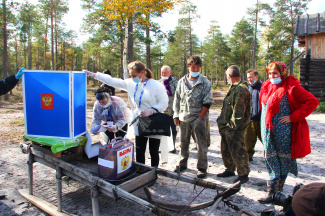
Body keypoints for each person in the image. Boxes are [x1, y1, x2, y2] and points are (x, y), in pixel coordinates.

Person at [84, 61, 168, 167]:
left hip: (154, 121)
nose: (132, 78)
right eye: (130, 75)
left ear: (142, 72)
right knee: (139, 149)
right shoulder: (132, 83)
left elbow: (164, 103)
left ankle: (154, 172)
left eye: (134, 75)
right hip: (140, 121)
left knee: (153, 150)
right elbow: (113, 81)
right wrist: (95, 75)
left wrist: (152, 110)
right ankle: (141, 171)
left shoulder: (156, 85)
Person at [258, 62, 319, 204]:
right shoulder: (267, 86)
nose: (272, 76)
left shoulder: (292, 87)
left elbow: (312, 101)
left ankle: (275, 193)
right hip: (268, 131)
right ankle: (272, 193)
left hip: (283, 132)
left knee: (282, 161)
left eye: (275, 74)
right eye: (270, 73)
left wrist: (293, 117)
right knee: (270, 159)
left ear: (283, 73)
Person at [173, 55, 213, 178]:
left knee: (201, 144)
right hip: (184, 118)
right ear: (188, 67)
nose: (195, 70)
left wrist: (201, 118)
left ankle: (202, 168)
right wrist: (176, 116)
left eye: (198, 68)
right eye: (193, 67)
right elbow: (177, 99)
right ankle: (182, 164)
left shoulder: (204, 82)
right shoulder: (181, 82)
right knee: (183, 143)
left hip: (198, 118)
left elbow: (208, 102)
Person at [216, 65, 251, 184]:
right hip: (227, 127)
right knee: (226, 149)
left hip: (235, 128)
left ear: (229, 76)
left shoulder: (241, 89)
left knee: (238, 150)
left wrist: (231, 128)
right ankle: (229, 169)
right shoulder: (234, 87)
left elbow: (238, 111)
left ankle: (243, 174)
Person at [159, 65, 178, 153]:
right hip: (162, 111)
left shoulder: (175, 83)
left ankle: (173, 147)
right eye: (162, 72)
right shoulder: (158, 83)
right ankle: (161, 147)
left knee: (173, 130)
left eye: (165, 72)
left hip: (173, 111)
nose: (163, 74)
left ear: (170, 73)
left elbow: (179, 96)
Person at [245, 69, 262, 162]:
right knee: (248, 140)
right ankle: (248, 156)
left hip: (261, 120)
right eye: (248, 77)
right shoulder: (248, 88)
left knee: (265, 140)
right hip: (250, 119)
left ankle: (271, 157)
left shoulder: (263, 88)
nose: (250, 79)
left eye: (251, 77)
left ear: (256, 77)